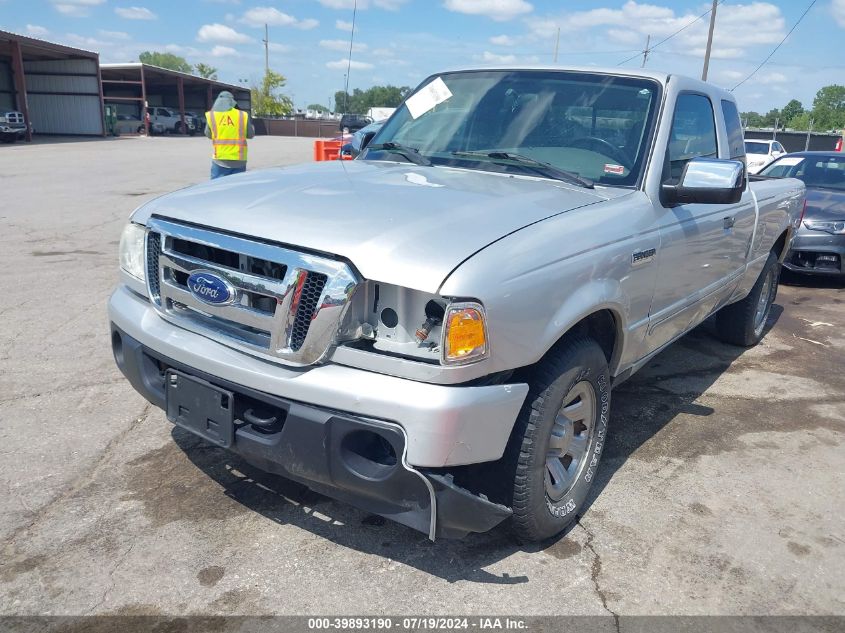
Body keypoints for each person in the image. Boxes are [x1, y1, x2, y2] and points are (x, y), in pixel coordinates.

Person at [205, 91, 255, 179]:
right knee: (236, 189)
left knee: (216, 188)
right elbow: (250, 135)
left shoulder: (211, 115)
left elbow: (208, 134)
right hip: (239, 160)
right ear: (232, 102)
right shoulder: (242, 115)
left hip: (220, 160)